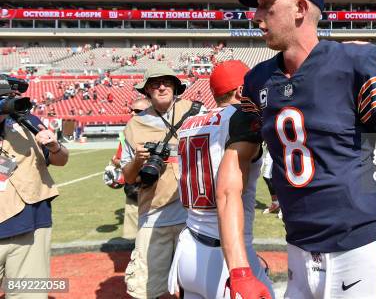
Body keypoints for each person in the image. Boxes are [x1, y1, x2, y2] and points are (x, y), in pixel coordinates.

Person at [217, 0, 376, 299]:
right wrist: (238, 269)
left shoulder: (356, 63)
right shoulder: (257, 81)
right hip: (297, 246)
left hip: (358, 248)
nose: (256, 16)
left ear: (300, 10)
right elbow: (231, 176)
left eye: (267, 6)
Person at [168, 60, 274, 298]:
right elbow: (228, 192)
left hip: (189, 248)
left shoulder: (188, 124)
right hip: (227, 256)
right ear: (241, 91)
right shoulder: (241, 118)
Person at [121, 66, 200, 299]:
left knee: (196, 283)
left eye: (167, 82)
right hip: (154, 214)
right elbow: (127, 177)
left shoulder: (197, 112)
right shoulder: (134, 125)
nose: (162, 87)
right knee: (149, 287)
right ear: (147, 90)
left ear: (175, 86)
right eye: (155, 84)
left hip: (195, 214)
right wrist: (137, 160)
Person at [0, 80, 70, 298]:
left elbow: (61, 159)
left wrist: (55, 146)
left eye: (11, 96)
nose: (10, 102)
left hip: (30, 223)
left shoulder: (28, 121)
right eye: (5, 98)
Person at [104, 98, 151, 239]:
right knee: (134, 238)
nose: (132, 113)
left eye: (137, 111)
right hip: (135, 191)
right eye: (131, 110)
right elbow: (119, 160)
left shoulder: (162, 130)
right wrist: (116, 165)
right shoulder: (126, 133)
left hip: (158, 192)